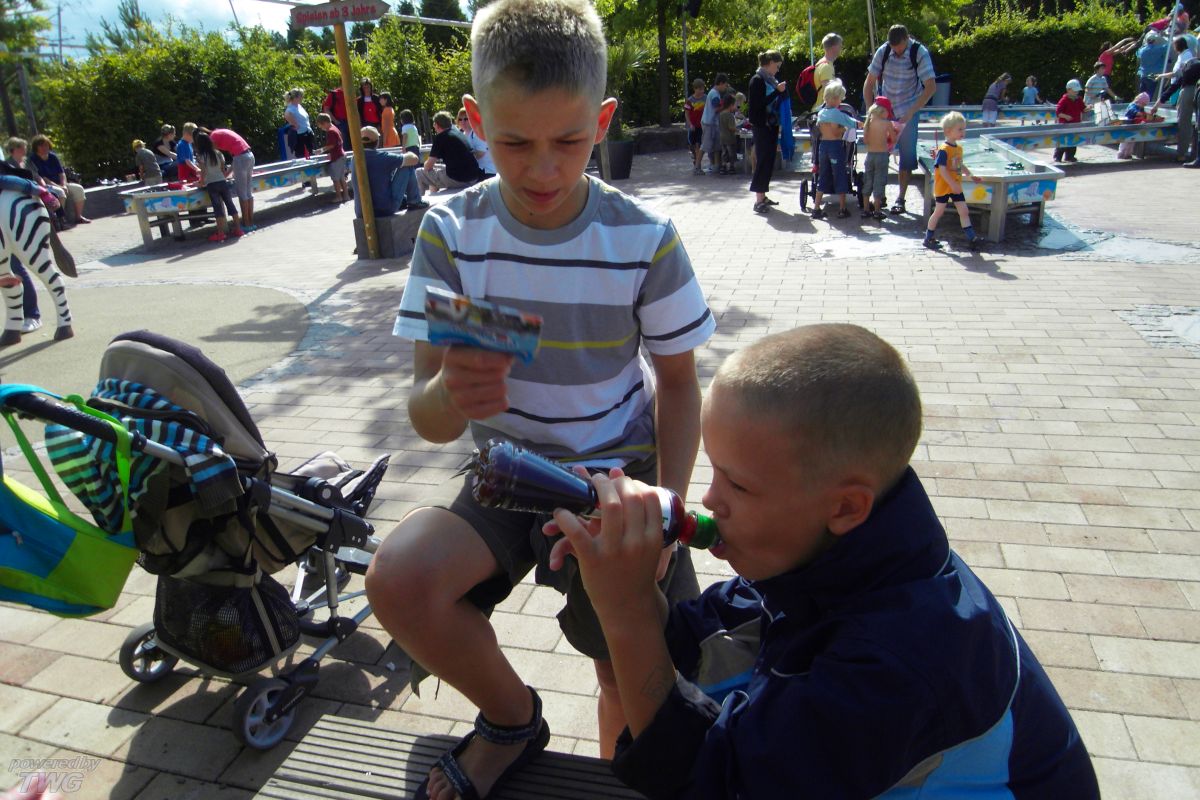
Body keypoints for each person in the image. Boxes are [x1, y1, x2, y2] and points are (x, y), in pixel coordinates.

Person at [368, 3, 716, 800]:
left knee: (627, 673)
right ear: (473, 123)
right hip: (504, 474)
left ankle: (619, 779)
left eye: (569, 141)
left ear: (603, 122)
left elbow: (679, 382)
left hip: (616, 483)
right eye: (515, 143)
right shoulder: (453, 234)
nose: (544, 171)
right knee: (399, 579)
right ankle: (511, 720)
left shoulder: (644, 237)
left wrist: (668, 505)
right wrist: (450, 393)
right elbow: (426, 415)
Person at [552, 323, 1100, 800]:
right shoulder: (829, 557)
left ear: (844, 507)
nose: (711, 499)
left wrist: (625, 610)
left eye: (738, 485)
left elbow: (716, 784)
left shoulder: (900, 662)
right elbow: (693, 641)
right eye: (714, 472)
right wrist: (632, 579)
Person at [864, 24, 937, 215]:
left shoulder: (919, 52)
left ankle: (901, 198)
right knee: (879, 153)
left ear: (906, 39)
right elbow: (869, 83)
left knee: (906, 155)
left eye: (899, 47)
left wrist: (911, 112)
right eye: (893, 47)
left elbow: (930, 87)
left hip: (908, 108)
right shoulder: (884, 51)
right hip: (885, 109)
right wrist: (871, 111)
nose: (896, 51)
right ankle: (879, 197)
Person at [923, 111, 981, 251]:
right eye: (960, 129)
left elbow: (960, 165)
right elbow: (942, 170)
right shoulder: (944, 150)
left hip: (955, 186)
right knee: (939, 212)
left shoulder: (958, 148)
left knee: (964, 211)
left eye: (964, 129)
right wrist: (952, 184)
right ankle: (928, 237)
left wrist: (970, 175)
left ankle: (972, 237)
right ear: (948, 131)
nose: (963, 132)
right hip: (944, 187)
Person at [347, 126, 426, 216]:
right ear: (377, 141)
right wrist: (407, 153)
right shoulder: (383, 157)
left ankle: (405, 200)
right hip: (384, 209)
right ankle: (414, 201)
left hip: (361, 212)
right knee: (407, 166)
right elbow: (414, 159)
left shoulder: (354, 159)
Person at [811, 80, 856, 220]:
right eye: (840, 99)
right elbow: (843, 128)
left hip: (823, 147)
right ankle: (842, 208)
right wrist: (846, 128)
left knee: (822, 175)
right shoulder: (837, 114)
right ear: (836, 98)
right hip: (835, 146)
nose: (840, 101)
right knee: (839, 175)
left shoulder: (821, 113)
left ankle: (816, 208)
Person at [748, 51, 786, 214]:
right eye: (776, 66)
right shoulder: (757, 80)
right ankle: (758, 200)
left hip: (770, 125)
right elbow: (758, 104)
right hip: (762, 125)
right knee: (763, 161)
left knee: (769, 161)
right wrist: (777, 91)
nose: (777, 70)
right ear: (769, 63)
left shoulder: (769, 80)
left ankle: (763, 196)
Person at [193, 130, 243, 243]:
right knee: (230, 204)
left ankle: (221, 234)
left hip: (211, 184)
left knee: (217, 208)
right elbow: (222, 168)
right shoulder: (218, 153)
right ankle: (238, 229)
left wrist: (200, 182)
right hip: (222, 182)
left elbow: (204, 172)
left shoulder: (201, 156)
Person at [416, 110, 484, 193]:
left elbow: (428, 166)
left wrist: (426, 165)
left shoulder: (440, 138)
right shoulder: (459, 133)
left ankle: (418, 200)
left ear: (436, 125)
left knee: (419, 172)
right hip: (473, 176)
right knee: (436, 170)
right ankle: (433, 194)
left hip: (459, 179)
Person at [27, 135, 89, 225]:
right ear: (36, 147)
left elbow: (61, 173)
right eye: (41, 146)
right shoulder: (33, 159)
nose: (44, 147)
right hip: (47, 185)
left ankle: (78, 217)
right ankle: (60, 220)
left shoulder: (53, 157)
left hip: (60, 184)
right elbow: (43, 178)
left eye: (46, 145)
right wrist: (60, 187)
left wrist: (64, 185)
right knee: (60, 192)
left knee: (78, 189)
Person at [1150, 55, 1200, 164]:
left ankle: (1182, 155)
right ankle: (1196, 154)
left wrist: (1156, 106)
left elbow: (1174, 86)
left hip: (1187, 92)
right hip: (1198, 91)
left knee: (1184, 124)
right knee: (1198, 126)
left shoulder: (1190, 63)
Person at [206, 126, 256, 230]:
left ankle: (246, 224)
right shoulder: (220, 133)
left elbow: (213, 156)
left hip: (241, 158)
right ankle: (251, 222)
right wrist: (227, 173)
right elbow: (236, 155)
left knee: (242, 193)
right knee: (248, 192)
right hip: (249, 155)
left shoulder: (213, 137)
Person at [861, 98, 896, 220]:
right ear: (883, 111)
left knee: (868, 181)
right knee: (879, 182)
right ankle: (877, 210)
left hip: (870, 155)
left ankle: (866, 210)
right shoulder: (887, 123)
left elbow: (865, 141)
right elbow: (894, 139)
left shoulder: (868, 123)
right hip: (882, 155)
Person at [315, 113, 348, 203]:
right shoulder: (335, 128)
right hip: (341, 155)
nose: (322, 128)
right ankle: (346, 196)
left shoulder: (330, 131)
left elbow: (331, 145)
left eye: (321, 126)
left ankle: (339, 196)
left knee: (335, 179)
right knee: (341, 177)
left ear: (324, 123)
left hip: (337, 157)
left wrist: (321, 150)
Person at [700, 73, 729, 174]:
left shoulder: (715, 93)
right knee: (705, 146)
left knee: (717, 146)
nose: (725, 87)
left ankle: (716, 165)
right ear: (720, 83)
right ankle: (697, 166)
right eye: (725, 85)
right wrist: (726, 106)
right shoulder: (714, 94)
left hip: (714, 123)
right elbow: (716, 108)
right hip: (709, 123)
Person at [1054, 79, 1088, 163]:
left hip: (1075, 124)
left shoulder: (1078, 99)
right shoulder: (1064, 100)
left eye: (1077, 91)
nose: (1076, 93)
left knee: (1074, 141)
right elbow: (1058, 112)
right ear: (1068, 90)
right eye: (1075, 91)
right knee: (1063, 142)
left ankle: (1070, 156)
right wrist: (1065, 116)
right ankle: (1058, 157)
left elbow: (1083, 109)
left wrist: (1089, 107)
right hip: (1065, 125)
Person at [458, 105, 497, 178]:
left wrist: (462, 159)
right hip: (474, 170)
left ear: (472, 119)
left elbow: (480, 153)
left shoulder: (477, 132)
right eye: (460, 119)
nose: (463, 122)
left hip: (486, 171)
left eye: (466, 119)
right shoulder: (462, 134)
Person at [1116, 92, 1157, 159]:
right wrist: (1139, 113)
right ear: (1139, 102)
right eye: (1143, 104)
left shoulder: (1140, 107)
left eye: (1145, 105)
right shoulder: (1132, 105)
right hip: (1128, 124)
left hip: (1134, 125)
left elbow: (1142, 113)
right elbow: (1132, 111)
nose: (1143, 106)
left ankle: (1128, 153)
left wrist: (1145, 115)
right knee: (1125, 141)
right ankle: (1121, 153)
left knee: (1132, 141)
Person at [810, 32, 843, 113]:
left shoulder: (821, 63)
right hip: (824, 112)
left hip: (820, 109)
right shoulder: (826, 67)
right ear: (834, 47)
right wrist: (839, 82)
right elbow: (830, 93)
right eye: (840, 46)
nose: (841, 48)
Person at [682, 78, 707, 175]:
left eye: (703, 89)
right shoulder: (690, 100)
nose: (702, 91)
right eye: (700, 89)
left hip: (701, 125)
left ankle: (698, 166)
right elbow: (687, 113)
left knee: (699, 145)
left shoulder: (706, 98)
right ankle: (695, 158)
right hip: (693, 126)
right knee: (692, 145)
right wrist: (690, 124)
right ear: (695, 89)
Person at [284, 88, 314, 158]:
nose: (302, 98)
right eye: (301, 96)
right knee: (301, 156)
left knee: (311, 154)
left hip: (308, 134)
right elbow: (295, 125)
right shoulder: (289, 110)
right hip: (300, 137)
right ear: (295, 97)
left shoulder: (299, 106)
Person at [1137, 31, 1170, 98]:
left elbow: (1138, 56)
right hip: (1153, 74)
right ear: (1154, 41)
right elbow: (1168, 46)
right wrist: (1165, 35)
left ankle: (1139, 104)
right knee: (1149, 95)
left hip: (1143, 74)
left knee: (1141, 95)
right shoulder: (1159, 49)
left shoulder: (1141, 50)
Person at [717, 94, 738, 175]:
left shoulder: (721, 114)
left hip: (722, 137)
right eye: (735, 105)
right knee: (731, 153)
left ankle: (723, 166)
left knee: (724, 152)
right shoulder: (730, 115)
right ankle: (731, 167)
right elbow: (731, 127)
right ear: (731, 105)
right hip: (730, 138)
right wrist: (737, 129)